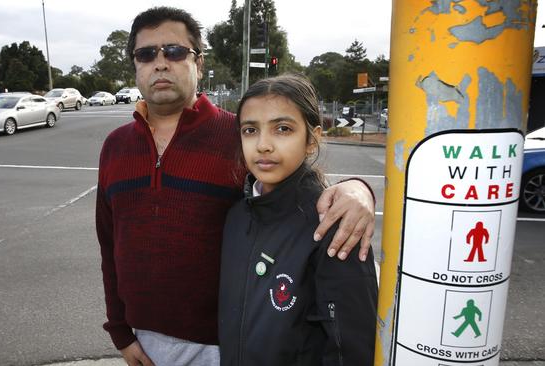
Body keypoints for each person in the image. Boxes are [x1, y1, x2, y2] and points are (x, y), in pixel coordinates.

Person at [96, 7, 376, 366]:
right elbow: (109, 242)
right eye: (147, 54)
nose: (161, 63)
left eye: (175, 51)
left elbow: (294, 191)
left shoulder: (238, 134)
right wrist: (120, 332)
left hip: (225, 346)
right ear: (135, 64)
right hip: (142, 342)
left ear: (198, 62)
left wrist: (357, 189)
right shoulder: (115, 146)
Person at [217, 74, 378, 366]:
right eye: (250, 130)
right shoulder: (236, 217)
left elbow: (351, 350)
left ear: (312, 139)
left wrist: (360, 189)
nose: (263, 145)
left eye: (282, 128)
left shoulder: (334, 225)